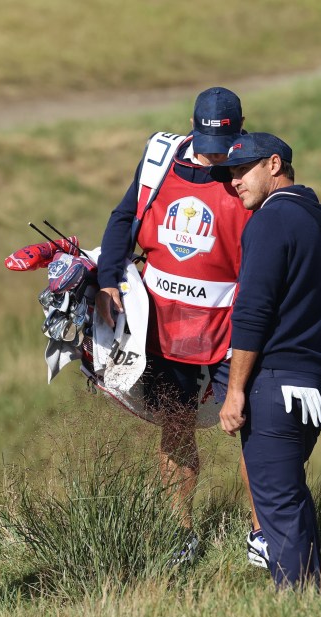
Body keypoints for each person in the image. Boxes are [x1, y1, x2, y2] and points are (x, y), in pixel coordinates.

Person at [95, 87, 263, 566]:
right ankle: (180, 533)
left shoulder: (252, 167)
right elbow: (124, 217)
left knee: (254, 429)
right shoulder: (161, 159)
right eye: (206, 142)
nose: (213, 155)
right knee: (175, 426)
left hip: (234, 326)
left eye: (222, 145)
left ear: (240, 128)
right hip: (165, 327)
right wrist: (108, 280)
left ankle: (263, 534)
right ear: (193, 127)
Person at [218, 133, 321, 590]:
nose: (234, 182)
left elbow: (253, 312)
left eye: (242, 170)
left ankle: (295, 608)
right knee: (292, 497)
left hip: (276, 385)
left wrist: (235, 391)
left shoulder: (270, 222)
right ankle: (312, 599)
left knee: (277, 503)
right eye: (229, 173)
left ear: (275, 164)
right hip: (316, 382)